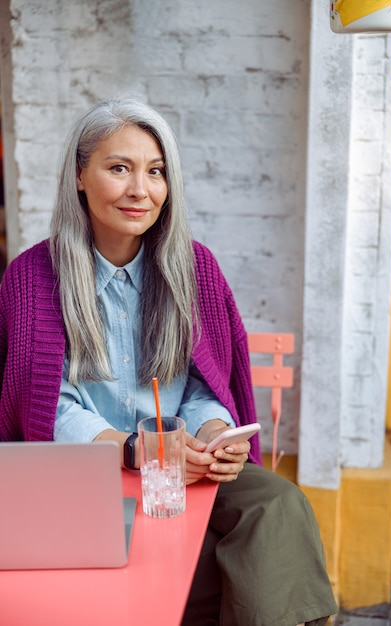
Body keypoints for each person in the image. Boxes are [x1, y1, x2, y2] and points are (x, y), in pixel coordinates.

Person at [0, 97, 337, 626]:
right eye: (119, 168)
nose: (141, 189)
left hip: (185, 467)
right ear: (79, 176)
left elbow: (206, 383)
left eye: (156, 172)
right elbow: (45, 408)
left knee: (277, 505)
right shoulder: (31, 277)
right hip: (86, 474)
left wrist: (217, 434)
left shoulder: (194, 267)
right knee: (205, 563)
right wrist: (140, 450)